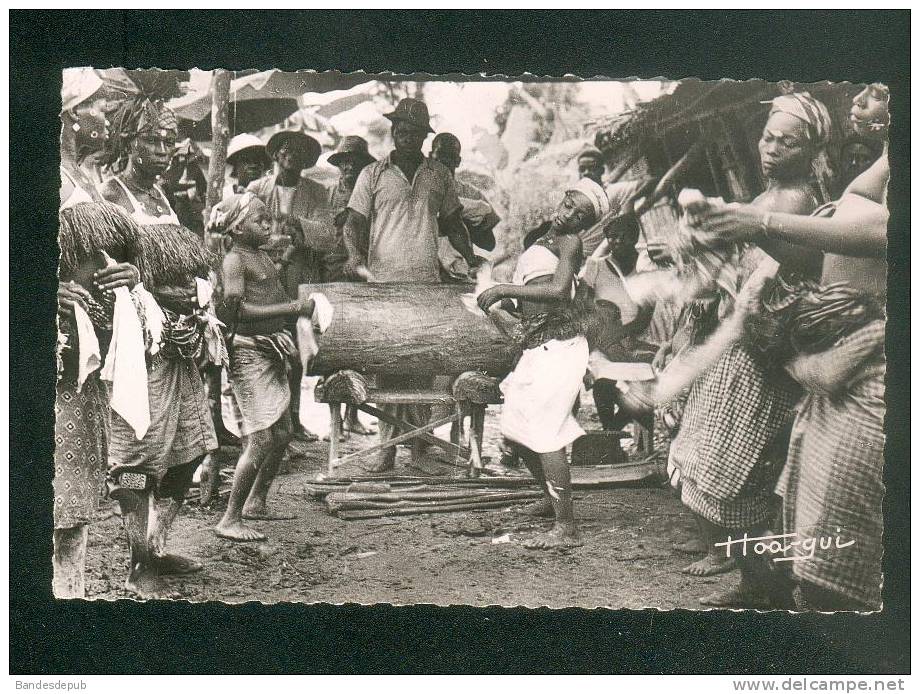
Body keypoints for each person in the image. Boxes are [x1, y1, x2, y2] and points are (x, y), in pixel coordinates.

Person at [691, 84, 890, 611]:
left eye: (885, 90)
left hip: (867, 366)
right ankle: (778, 592)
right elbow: (818, 255)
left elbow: (890, 234)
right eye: (767, 137)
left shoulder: (801, 199)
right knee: (804, 503)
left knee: (836, 533)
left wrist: (760, 223)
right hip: (832, 361)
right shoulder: (893, 165)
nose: (868, 94)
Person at [641, 92, 832, 608]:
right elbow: (736, 270)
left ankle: (761, 585)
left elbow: (774, 276)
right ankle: (751, 579)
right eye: (768, 137)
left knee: (742, 473)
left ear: (809, 149)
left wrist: (707, 241)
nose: (770, 148)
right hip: (742, 346)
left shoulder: (792, 202)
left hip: (761, 355)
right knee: (727, 466)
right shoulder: (769, 196)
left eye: (785, 141)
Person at [99, 94, 220, 597]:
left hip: (181, 345)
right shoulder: (110, 197)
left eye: (170, 140)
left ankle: (157, 540)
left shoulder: (163, 200)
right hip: (138, 347)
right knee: (135, 460)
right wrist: (150, 292)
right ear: (128, 141)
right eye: (154, 140)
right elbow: (105, 275)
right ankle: (137, 559)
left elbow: (191, 270)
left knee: (192, 449)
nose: (167, 149)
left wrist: (196, 305)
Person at [341, 98, 479, 472]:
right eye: (400, 130)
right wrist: (354, 257)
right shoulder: (372, 174)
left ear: (423, 136)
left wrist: (471, 260)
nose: (406, 137)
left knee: (423, 367)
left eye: (414, 132)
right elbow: (353, 223)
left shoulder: (439, 175)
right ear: (393, 131)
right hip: (384, 282)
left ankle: (418, 450)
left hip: (426, 283)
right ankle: (385, 450)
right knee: (386, 369)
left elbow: (452, 224)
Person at [477, 177, 609, 549]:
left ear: (585, 224)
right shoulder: (541, 239)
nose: (569, 214)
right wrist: (510, 305)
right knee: (516, 429)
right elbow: (536, 291)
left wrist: (503, 289)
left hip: (561, 346)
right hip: (541, 343)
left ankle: (566, 527)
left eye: (580, 214)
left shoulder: (570, 242)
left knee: (547, 432)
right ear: (563, 198)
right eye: (569, 203)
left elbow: (556, 291)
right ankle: (550, 498)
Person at [209, 193, 317, 541]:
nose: (268, 225)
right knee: (259, 439)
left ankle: (256, 501)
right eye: (260, 220)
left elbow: (270, 300)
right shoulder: (234, 261)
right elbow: (239, 313)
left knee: (283, 433)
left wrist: (289, 318)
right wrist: (290, 310)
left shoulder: (262, 258)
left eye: (269, 219)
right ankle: (229, 518)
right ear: (237, 228)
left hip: (270, 351)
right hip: (248, 353)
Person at [580, 215, 655, 449]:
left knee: (642, 385)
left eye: (622, 236)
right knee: (603, 384)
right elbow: (583, 305)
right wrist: (598, 334)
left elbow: (644, 317)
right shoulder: (595, 267)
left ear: (634, 237)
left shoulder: (646, 269)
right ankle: (610, 436)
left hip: (636, 338)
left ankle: (610, 434)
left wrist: (620, 333)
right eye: (611, 237)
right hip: (601, 340)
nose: (616, 241)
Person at [327, 136, 377, 437]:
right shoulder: (330, 194)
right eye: (343, 162)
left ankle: (353, 415)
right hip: (334, 270)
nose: (348, 168)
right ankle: (336, 420)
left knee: (361, 345)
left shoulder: (369, 194)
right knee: (335, 345)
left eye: (354, 163)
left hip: (363, 271)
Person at [248, 130, 339, 295]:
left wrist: (298, 223)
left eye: (299, 151)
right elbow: (247, 225)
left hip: (301, 268)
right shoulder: (257, 189)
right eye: (286, 149)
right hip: (263, 264)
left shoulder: (316, 191)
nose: (291, 155)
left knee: (298, 312)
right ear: (276, 155)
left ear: (306, 160)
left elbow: (327, 233)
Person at [430, 132, 500, 280]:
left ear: (458, 160)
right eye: (440, 154)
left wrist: (457, 221)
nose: (444, 160)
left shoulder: (472, 195)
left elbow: (489, 244)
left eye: (450, 156)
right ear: (431, 156)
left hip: (459, 270)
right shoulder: (421, 189)